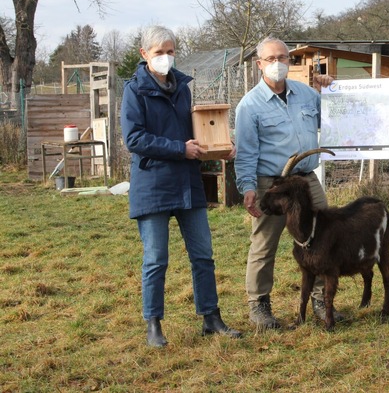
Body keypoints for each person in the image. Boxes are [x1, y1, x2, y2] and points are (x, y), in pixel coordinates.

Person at [121, 25, 242, 347]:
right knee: (156, 259)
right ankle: (154, 324)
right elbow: (134, 139)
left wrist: (219, 146)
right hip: (153, 184)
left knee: (203, 255)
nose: (166, 57)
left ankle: (211, 317)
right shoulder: (134, 91)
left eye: (170, 51)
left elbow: (197, 132)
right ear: (144, 54)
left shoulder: (183, 88)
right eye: (159, 52)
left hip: (188, 184)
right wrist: (179, 149)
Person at [234, 37, 341, 330]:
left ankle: (322, 300)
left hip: (306, 181)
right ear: (259, 64)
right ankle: (259, 305)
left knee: (323, 237)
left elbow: (336, 116)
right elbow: (245, 153)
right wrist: (248, 188)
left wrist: (331, 89)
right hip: (273, 184)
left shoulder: (306, 95)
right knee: (264, 243)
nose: (278, 63)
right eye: (271, 59)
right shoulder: (250, 106)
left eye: (283, 58)